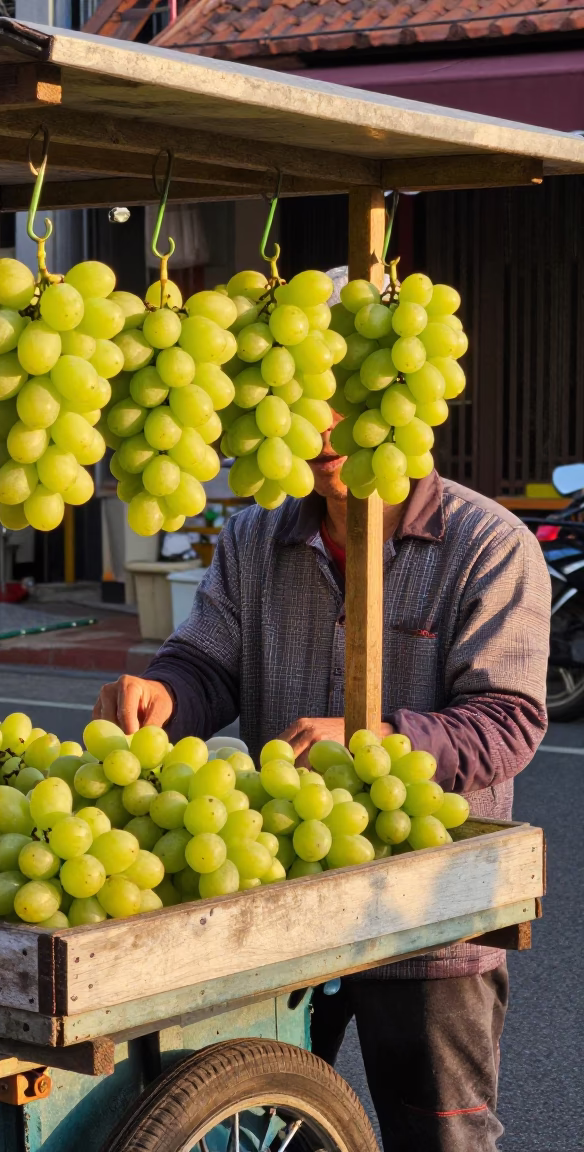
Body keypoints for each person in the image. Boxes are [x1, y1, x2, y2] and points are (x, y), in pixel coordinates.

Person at [94, 278, 550, 1152]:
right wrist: (166, 694)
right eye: (307, 405)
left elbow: (505, 723)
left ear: (392, 402)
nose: (327, 432)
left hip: (426, 914)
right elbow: (206, 662)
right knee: (273, 1123)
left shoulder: (488, 544)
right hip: (280, 907)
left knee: (441, 1137)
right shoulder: (254, 535)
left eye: (348, 405)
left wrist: (373, 742)